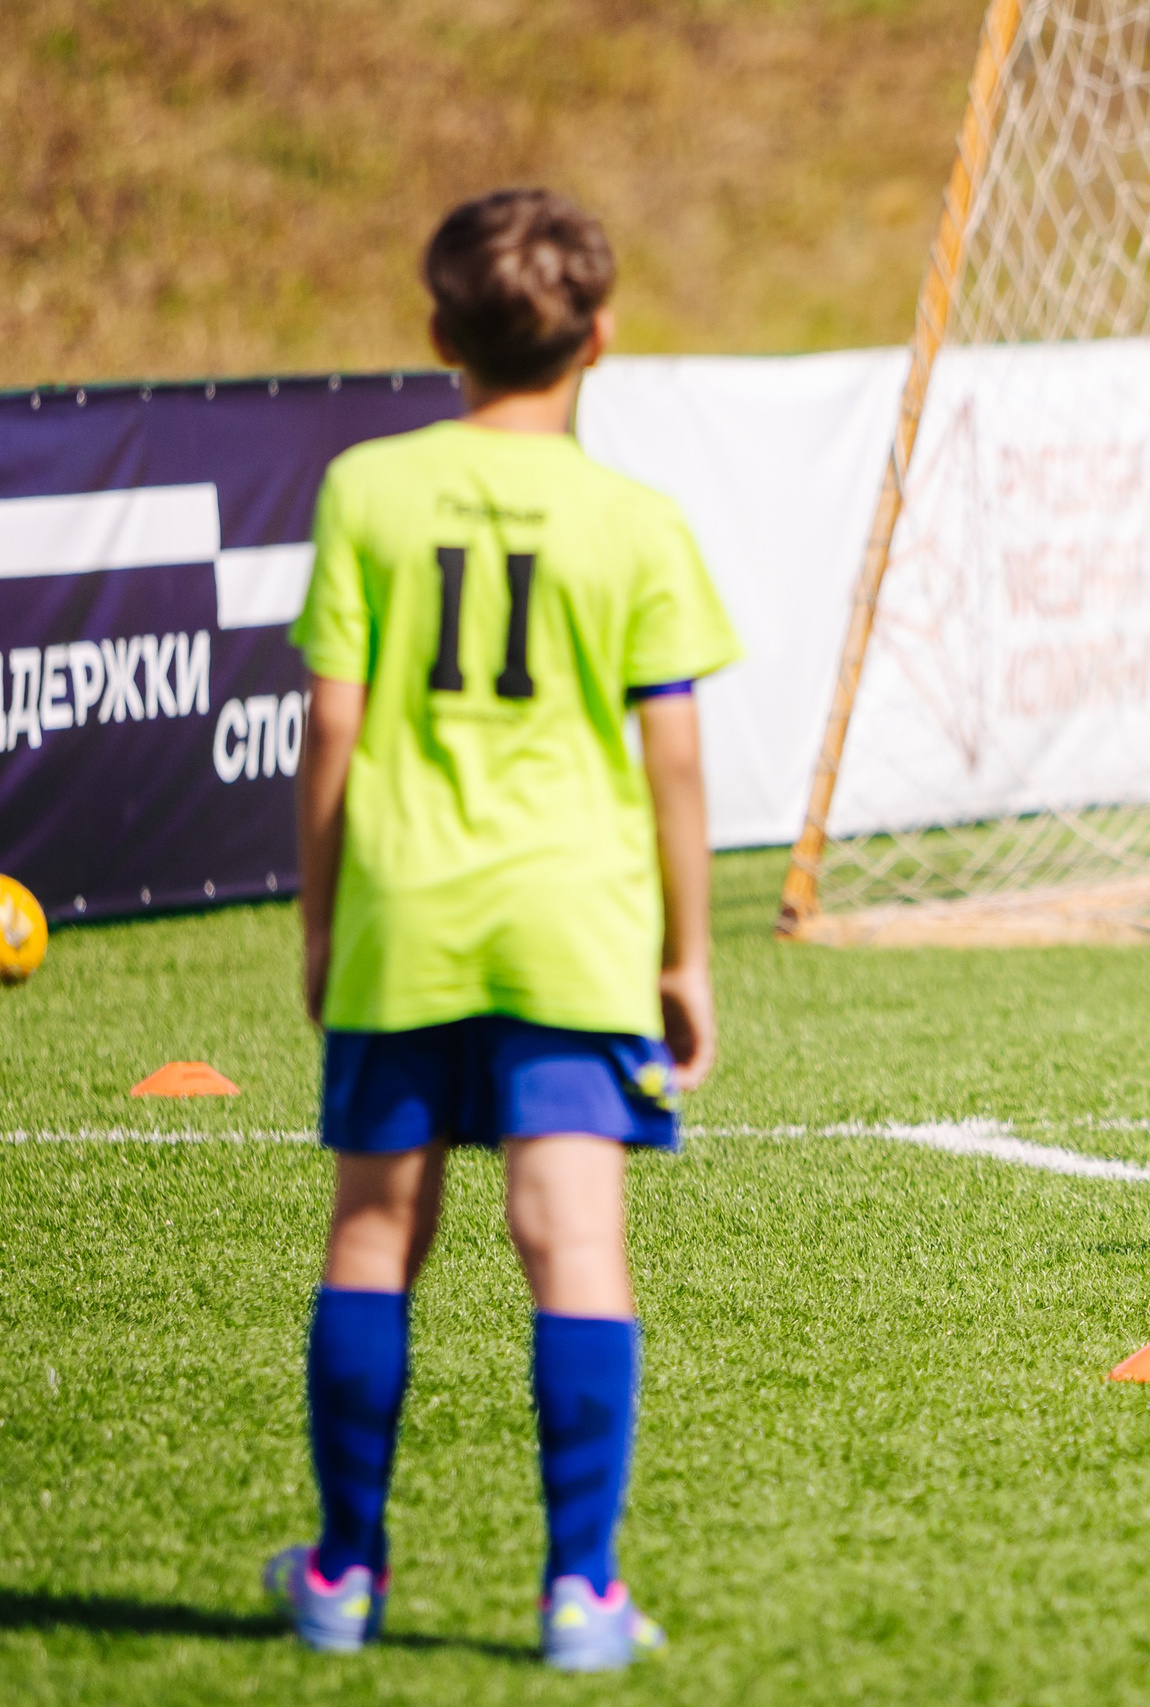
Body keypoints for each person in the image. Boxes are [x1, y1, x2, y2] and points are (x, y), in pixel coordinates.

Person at [265, 187, 741, 1669]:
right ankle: (579, 1594)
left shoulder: (367, 490)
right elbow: (675, 757)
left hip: (406, 912)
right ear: (602, 337)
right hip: (575, 927)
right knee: (572, 1234)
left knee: (373, 1229)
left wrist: (322, 919)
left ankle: (343, 1573)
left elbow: (329, 730)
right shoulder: (637, 520)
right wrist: (686, 951)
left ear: (437, 334)